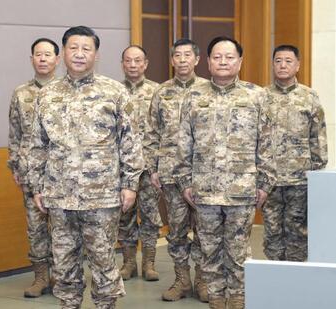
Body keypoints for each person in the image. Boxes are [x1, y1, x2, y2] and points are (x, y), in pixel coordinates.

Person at [27, 26, 144, 309]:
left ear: (96, 54)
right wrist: (36, 186)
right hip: (59, 195)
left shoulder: (114, 92)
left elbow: (130, 140)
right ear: (63, 52)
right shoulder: (47, 94)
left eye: (86, 48)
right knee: (64, 263)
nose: (79, 54)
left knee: (103, 262)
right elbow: (37, 143)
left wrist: (130, 184)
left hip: (101, 196)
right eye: (73, 48)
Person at [176, 36, 276, 309]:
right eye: (217, 57)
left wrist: (265, 183)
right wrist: (185, 182)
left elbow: (267, 143)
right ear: (208, 62)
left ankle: (239, 296)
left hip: (243, 190)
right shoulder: (193, 97)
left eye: (229, 57)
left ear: (240, 61)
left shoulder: (257, 96)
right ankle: (217, 298)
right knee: (208, 249)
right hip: (204, 191)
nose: (223, 61)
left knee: (238, 249)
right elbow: (184, 143)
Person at [147, 38, 208, 302]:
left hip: (205, 174)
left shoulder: (209, 89)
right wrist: (153, 168)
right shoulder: (162, 92)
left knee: (207, 230)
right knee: (177, 230)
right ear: (172, 60)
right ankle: (182, 279)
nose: (182, 60)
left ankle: (204, 280)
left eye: (187, 55)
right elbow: (151, 132)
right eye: (178, 56)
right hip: (171, 174)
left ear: (197, 59)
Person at [262, 44, 328, 262]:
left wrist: (318, 172)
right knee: (272, 230)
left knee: (297, 230)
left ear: (298, 65)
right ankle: (274, 276)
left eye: (288, 61)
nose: (282, 65)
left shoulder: (309, 97)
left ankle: (296, 277)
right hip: (270, 179)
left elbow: (317, 136)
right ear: (272, 64)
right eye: (278, 60)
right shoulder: (261, 97)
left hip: (300, 178)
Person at [7, 37, 60, 297]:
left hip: (63, 173)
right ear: (31, 59)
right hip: (31, 173)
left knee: (64, 228)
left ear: (57, 59)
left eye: (47, 54)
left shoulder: (65, 90)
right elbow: (15, 134)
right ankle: (41, 277)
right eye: (38, 54)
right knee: (36, 227)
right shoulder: (21, 93)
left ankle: (63, 277)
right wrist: (16, 166)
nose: (42, 59)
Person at [117, 45, 162, 282]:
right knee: (124, 215)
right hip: (121, 168)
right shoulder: (114, 91)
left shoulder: (158, 91)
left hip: (148, 167)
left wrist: (158, 165)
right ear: (122, 64)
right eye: (128, 61)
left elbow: (163, 130)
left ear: (145, 64)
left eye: (138, 61)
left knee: (150, 216)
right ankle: (128, 263)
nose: (133, 65)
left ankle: (149, 263)